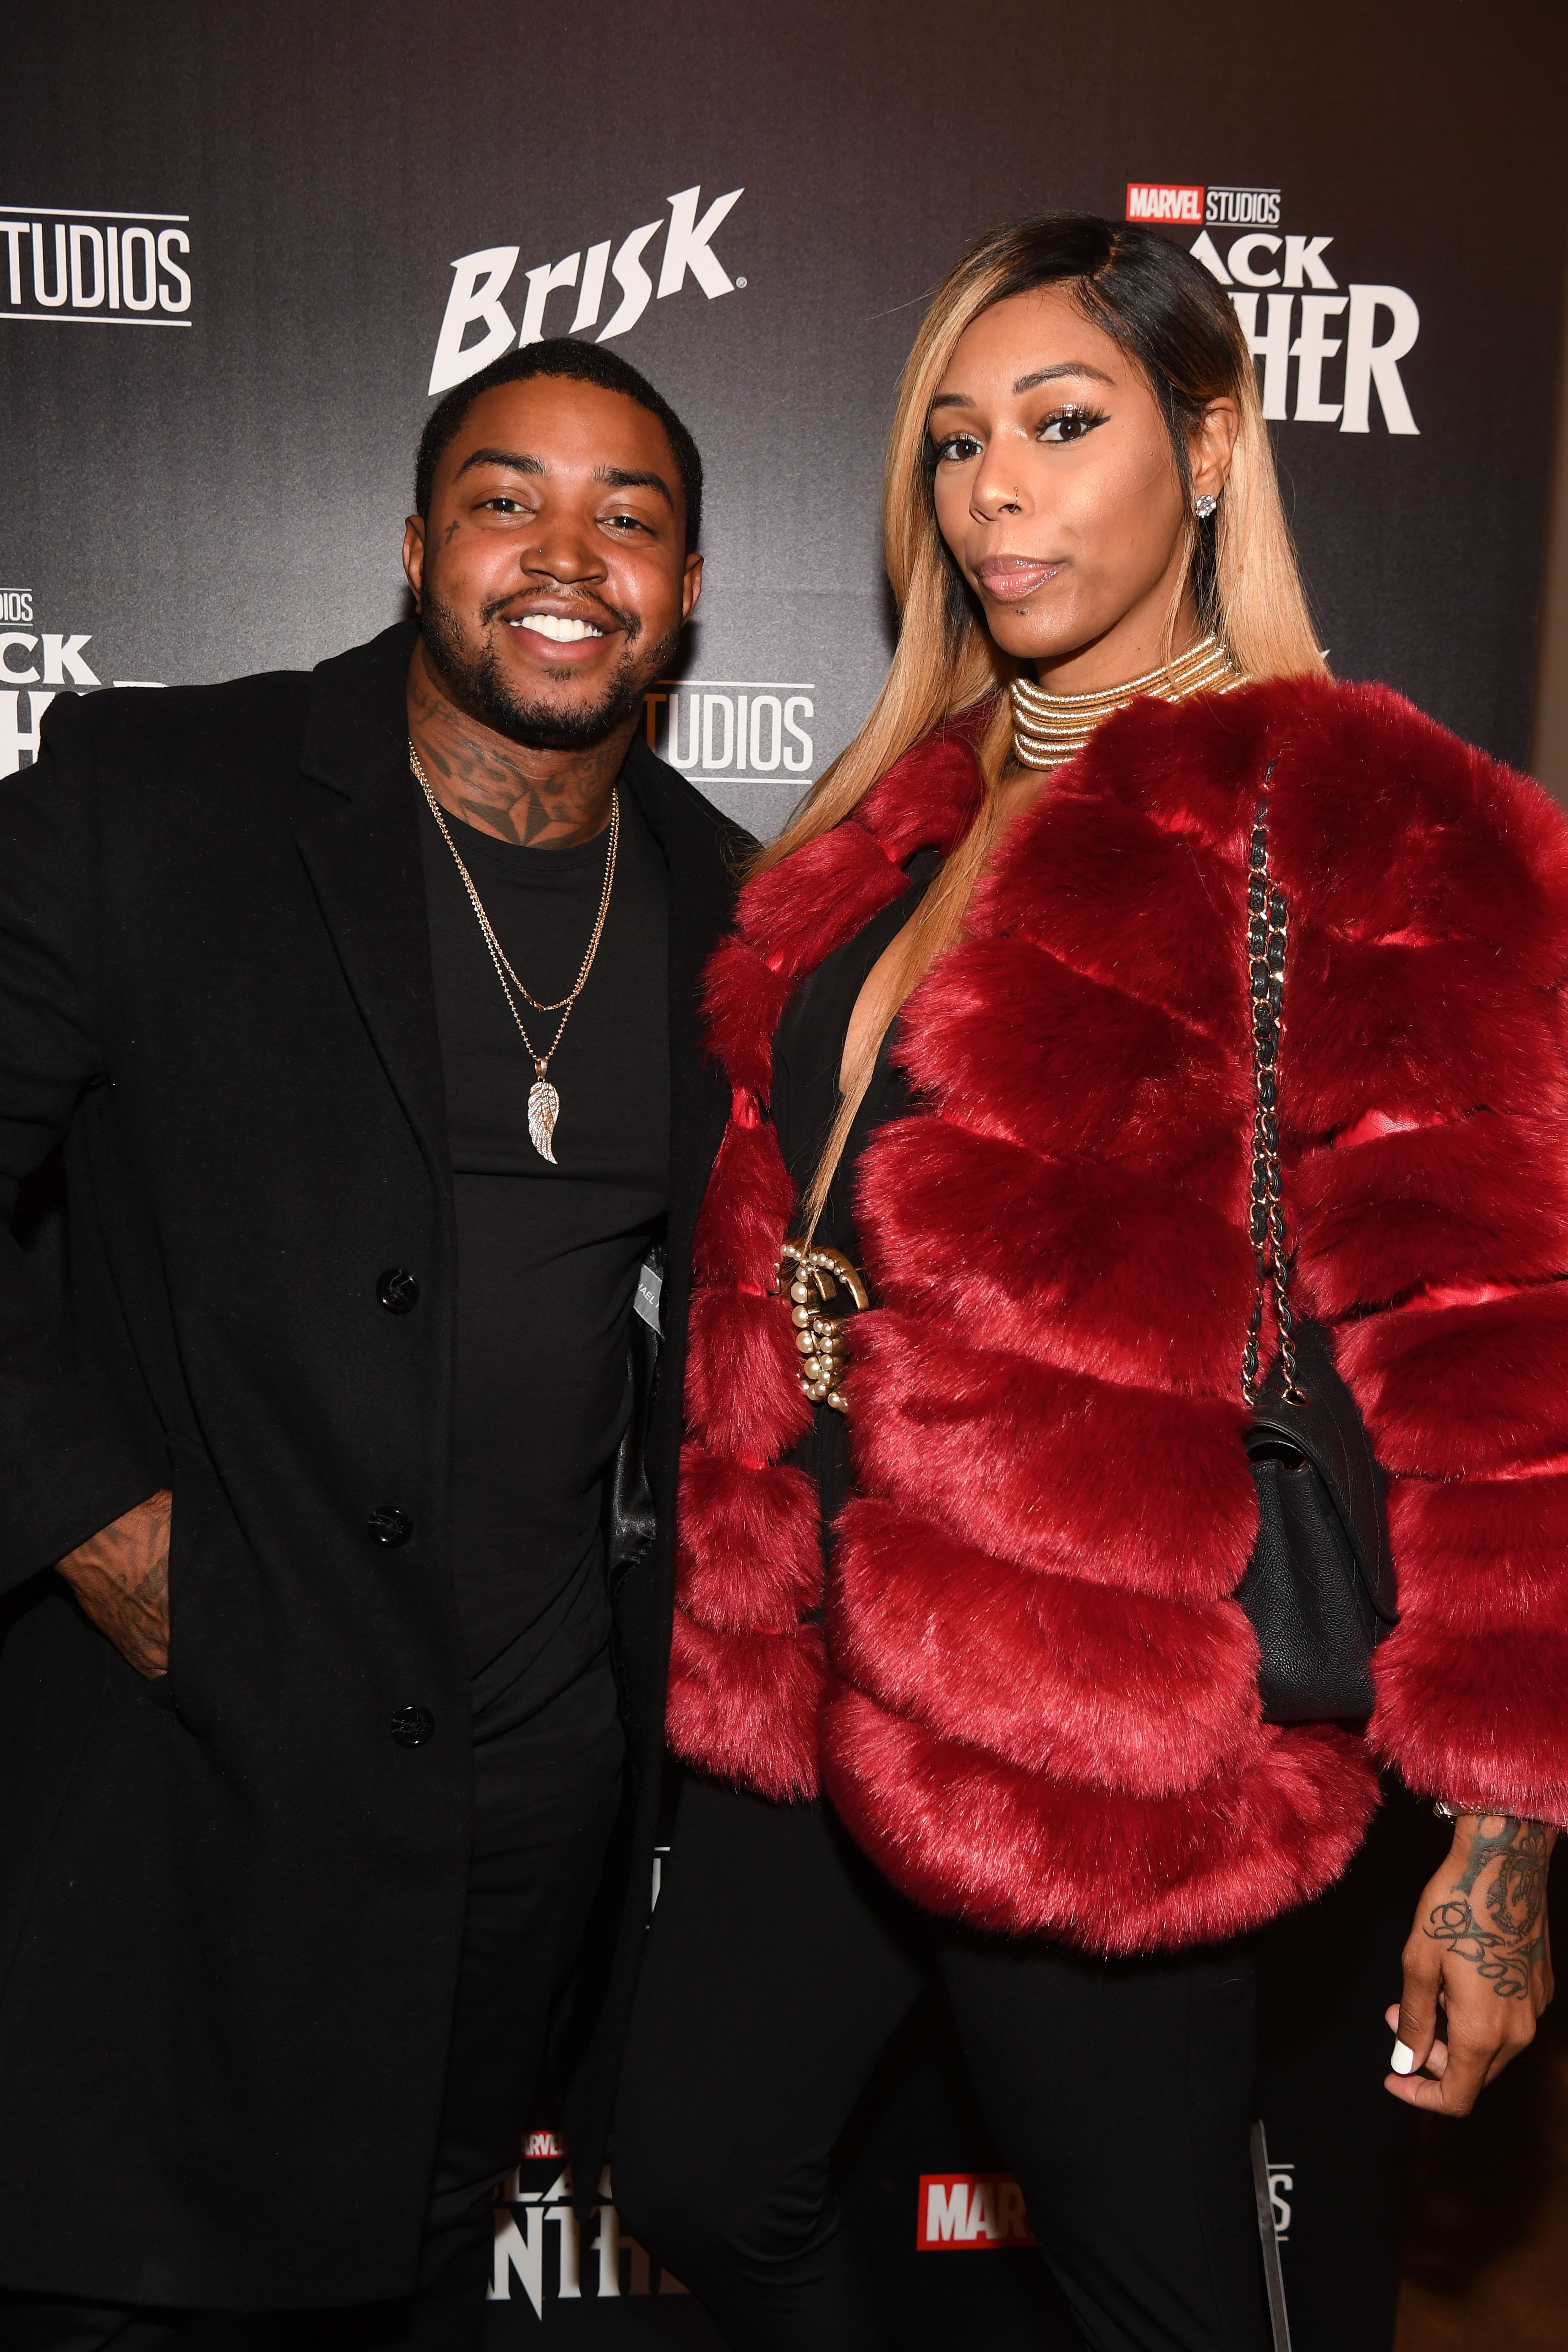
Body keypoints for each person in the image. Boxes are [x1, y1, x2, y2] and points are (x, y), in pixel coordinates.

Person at [611, 215, 1563, 2352]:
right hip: (810, 1657)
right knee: (695, 2159)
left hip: (1092, 1713)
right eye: (956, 445)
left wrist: (1503, 1854)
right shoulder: (898, 816)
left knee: (1158, 2300)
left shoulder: (1359, 815)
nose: (994, 494)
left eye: (1062, 424)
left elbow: (1502, 1376)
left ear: (1211, 448)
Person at [0, 338, 746, 2347]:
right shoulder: (150, 796)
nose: (565, 554)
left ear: (683, 596)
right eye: (509, 499)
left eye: (631, 517)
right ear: (419, 546)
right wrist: (109, 1539)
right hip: (180, 1774)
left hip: (522, 1826)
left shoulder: (735, 913)